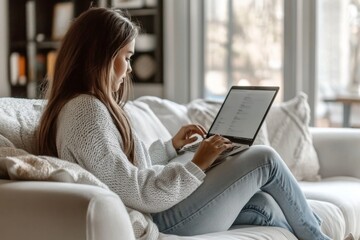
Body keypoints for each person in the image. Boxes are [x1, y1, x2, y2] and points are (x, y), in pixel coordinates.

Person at [36, 7, 336, 240]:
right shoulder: (86, 111)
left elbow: (123, 170)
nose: (128, 69)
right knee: (264, 159)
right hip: (161, 217)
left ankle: (316, 235)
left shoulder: (84, 106)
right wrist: (197, 165)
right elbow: (137, 190)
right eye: (126, 57)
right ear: (101, 56)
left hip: (161, 208)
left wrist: (171, 148)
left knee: (264, 205)